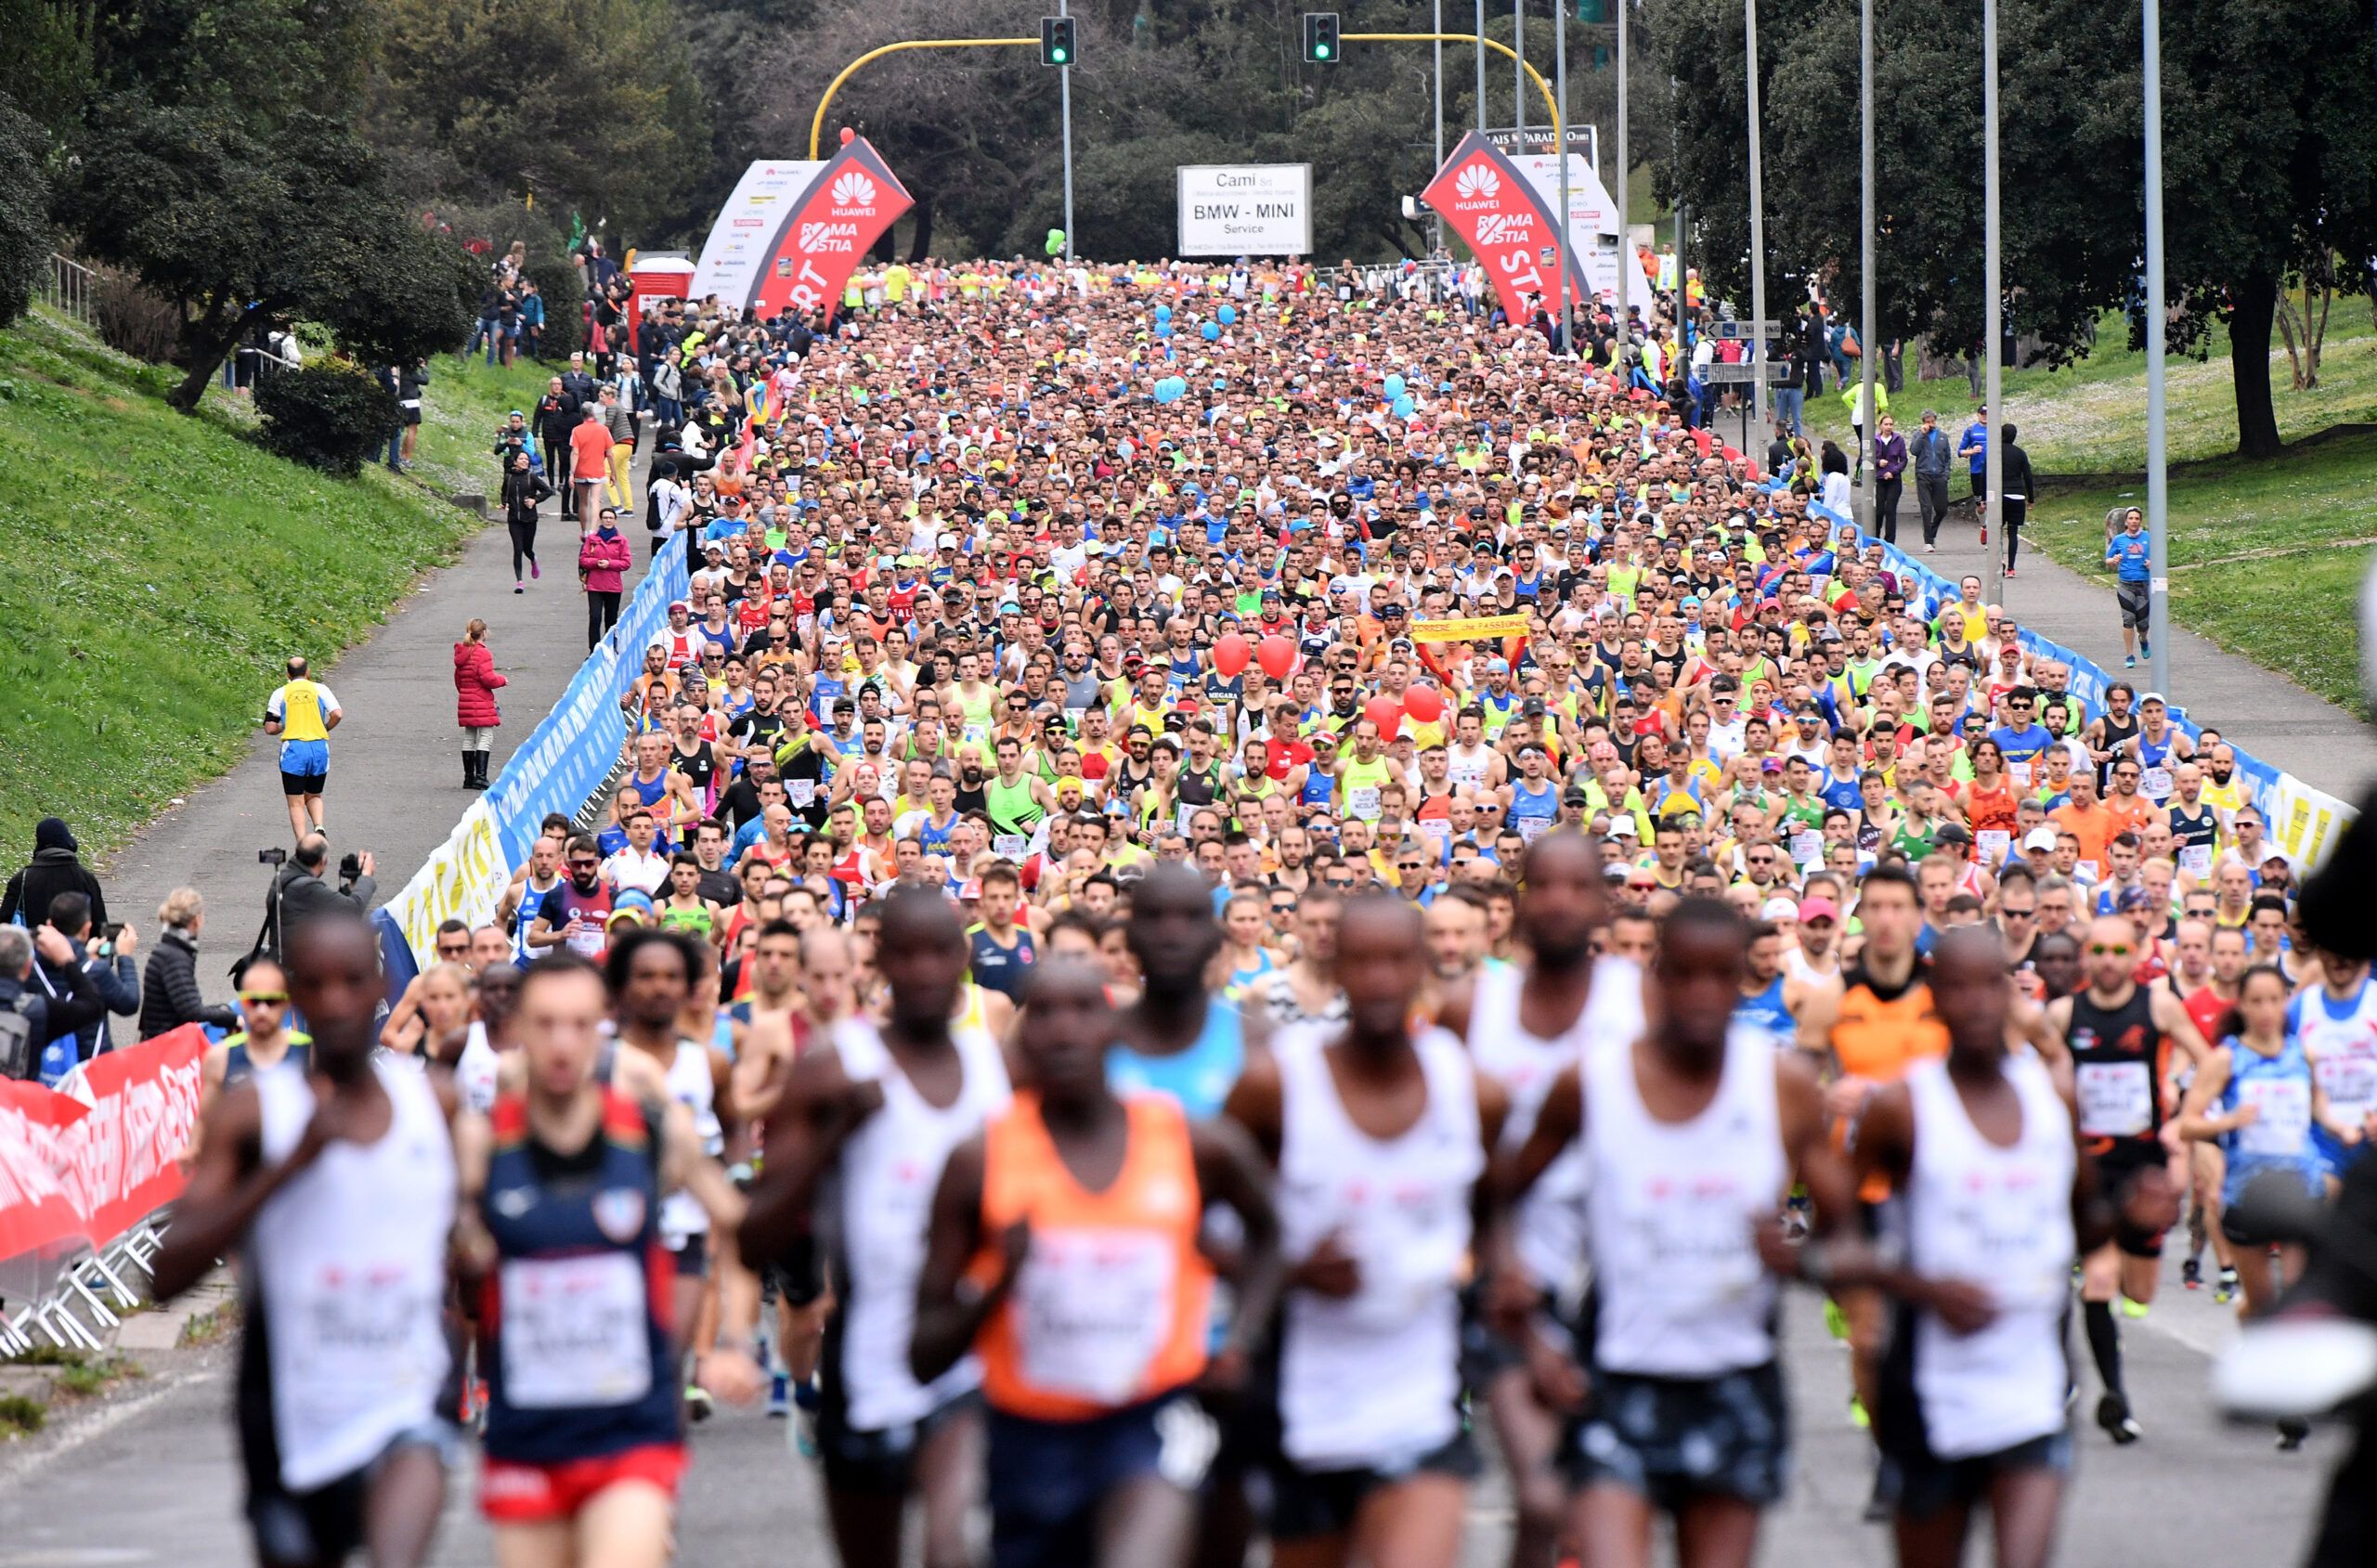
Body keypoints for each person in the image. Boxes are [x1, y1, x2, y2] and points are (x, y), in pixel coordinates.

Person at [1497, 897, 1851, 1568]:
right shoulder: (1591, 1082)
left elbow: (1851, 1239)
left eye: (1719, 975)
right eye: (1682, 974)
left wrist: (1802, 1262)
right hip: (1615, 1378)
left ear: (1742, 977)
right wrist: (1531, 1326)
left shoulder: (1784, 1087)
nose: (1700, 994)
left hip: (1736, 1379)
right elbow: (1499, 1199)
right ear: (1655, 982)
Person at [911, 958, 1285, 1568]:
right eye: (1045, 1014)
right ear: (1020, 1037)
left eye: (1084, 1011)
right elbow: (923, 1352)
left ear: (1114, 1029)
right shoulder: (977, 1161)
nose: (1064, 1031)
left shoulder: (1190, 1140)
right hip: (1027, 1431)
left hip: (1153, 1416)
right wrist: (998, 1283)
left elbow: (1270, 1230)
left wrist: (1241, 1339)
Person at [1843, 928, 2179, 1568]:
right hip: (1930, 1386)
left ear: (2011, 993)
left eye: (1989, 985)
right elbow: (1844, 1242)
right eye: (1956, 987)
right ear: (1932, 997)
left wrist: (2130, 1217)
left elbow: (2079, 1228)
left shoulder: (2051, 1099)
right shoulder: (1902, 1108)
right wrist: (1924, 1289)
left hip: (2032, 1385)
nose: (1974, 1003)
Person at [150, 911, 461, 1568]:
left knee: (397, 1546)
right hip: (290, 1405)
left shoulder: (435, 1103)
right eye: (318, 984)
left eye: (354, 980)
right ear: (297, 995)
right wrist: (287, 1167)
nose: (340, 1000)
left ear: (380, 983)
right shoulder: (257, 1113)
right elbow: (166, 1272)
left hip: (406, 1392)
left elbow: (473, 1240)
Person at [1221, 895, 1509, 1568]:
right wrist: (1287, 1271)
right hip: (1302, 1394)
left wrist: (1491, 1283)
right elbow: (1204, 1224)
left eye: (1396, 960)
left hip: (1422, 1395)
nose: (1380, 978)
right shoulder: (1275, 1083)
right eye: (1363, 961)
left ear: (1422, 966)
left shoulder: (1471, 1088)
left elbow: (1497, 1209)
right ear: (1334, 962)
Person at [454, 952, 762, 1568]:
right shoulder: (484, 1141)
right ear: (517, 1028)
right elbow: (454, 1251)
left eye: (579, 1023)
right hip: (529, 1429)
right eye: (544, 1024)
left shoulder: (648, 1133)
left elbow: (732, 1222)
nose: (563, 1043)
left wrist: (734, 1341)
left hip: (629, 1424)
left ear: (604, 1025)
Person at [739, 888, 1012, 1568]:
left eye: (938, 951)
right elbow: (756, 1236)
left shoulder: (995, 1070)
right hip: (867, 1361)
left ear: (963, 956)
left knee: (951, 1545)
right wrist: (833, 1133)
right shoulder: (833, 1067)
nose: (922, 969)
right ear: (877, 959)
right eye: (904, 953)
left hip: (972, 1360)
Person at [1439, 831, 1645, 1568]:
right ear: (1518, 903)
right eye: (1542, 885)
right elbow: (1457, 1168)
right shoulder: (1471, 1010)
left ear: (1602, 900)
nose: (1558, 901)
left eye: (1577, 885)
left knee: (1610, 1502)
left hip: (1625, 1283)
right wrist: (1501, 1274)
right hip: (1512, 1275)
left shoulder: (1641, 1004)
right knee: (1545, 1494)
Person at [2044, 913, 2211, 1443]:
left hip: (2145, 1176)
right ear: (2085, 957)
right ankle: (2114, 1399)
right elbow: (2033, 1080)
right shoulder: (2063, 1013)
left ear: (2137, 956)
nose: (2110, 962)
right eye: (2100, 952)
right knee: (2096, 1282)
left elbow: (2210, 1061)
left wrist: (2182, 1114)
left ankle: (2091, 1375)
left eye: (2120, 952)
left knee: (2138, 1293)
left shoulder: (2158, 1005)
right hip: (2090, 1173)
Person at [0, 924, 103, 1082]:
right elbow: (92, 1006)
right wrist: (67, 961)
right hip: (17, 1101)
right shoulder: (37, 1010)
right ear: (28, 968)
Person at [141, 886, 240, 1039]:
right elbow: (191, 1011)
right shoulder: (175, 957)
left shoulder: (169, 948)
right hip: (166, 1045)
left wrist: (222, 1010)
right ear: (196, 920)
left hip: (159, 1037)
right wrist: (231, 1019)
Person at [264, 655, 344, 841]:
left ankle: (302, 842)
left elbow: (269, 728)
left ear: (287, 674)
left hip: (295, 749)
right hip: (319, 747)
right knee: (314, 794)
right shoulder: (320, 689)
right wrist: (325, 727)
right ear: (308, 672)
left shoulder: (280, 693)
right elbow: (337, 714)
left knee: (295, 802)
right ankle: (319, 826)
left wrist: (285, 724)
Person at [266, 836, 379, 960]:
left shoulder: (284, 877)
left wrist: (353, 885)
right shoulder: (307, 887)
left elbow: (330, 906)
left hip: (281, 957)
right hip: (297, 966)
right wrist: (366, 876)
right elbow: (352, 909)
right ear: (323, 861)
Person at [2, 815, 107, 929]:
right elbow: (100, 925)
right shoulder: (86, 879)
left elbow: (4, 921)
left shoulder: (22, 879)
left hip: (34, 944)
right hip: (77, 946)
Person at [455, 618, 509, 792]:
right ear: (484, 633)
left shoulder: (461, 652)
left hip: (466, 698)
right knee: (486, 735)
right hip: (481, 699)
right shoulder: (483, 653)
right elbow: (488, 678)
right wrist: (502, 680)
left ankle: (468, 777)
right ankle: (481, 777)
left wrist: (465, 692)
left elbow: (458, 679)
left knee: (469, 737)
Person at [2104, 506, 2152, 669]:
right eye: (2131, 518)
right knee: (2128, 620)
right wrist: (2113, 560)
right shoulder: (2119, 540)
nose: (2134, 521)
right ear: (2126, 522)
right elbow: (2108, 561)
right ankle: (2130, 655)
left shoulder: (2148, 538)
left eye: (2137, 519)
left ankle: (2143, 640)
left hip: (2144, 585)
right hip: (2126, 584)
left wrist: (2152, 564)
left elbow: (2159, 559)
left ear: (2140, 521)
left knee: (2143, 624)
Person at [500, 448, 554, 593]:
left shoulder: (532, 477)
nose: (524, 461)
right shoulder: (509, 477)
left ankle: (533, 559)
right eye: (521, 459)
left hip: (530, 519)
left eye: (526, 459)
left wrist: (534, 500)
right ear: (515, 461)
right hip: (514, 519)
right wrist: (504, 503)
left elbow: (548, 491)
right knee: (517, 549)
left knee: (527, 549)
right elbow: (504, 493)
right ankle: (519, 582)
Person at [579, 509, 633, 650]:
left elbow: (626, 563)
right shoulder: (592, 540)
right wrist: (596, 563)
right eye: (605, 518)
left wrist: (610, 564)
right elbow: (583, 560)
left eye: (611, 518)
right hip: (595, 585)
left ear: (615, 520)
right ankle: (594, 650)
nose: (608, 520)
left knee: (611, 621)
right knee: (595, 618)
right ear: (601, 520)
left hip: (613, 586)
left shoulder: (621, 540)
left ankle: (610, 649)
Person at [1910, 409, 1953, 551]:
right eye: (1928, 422)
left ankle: (1932, 532)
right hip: (1923, 474)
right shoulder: (1918, 435)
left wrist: (1946, 473)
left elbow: (1947, 457)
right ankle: (1928, 541)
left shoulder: (1942, 436)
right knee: (1926, 508)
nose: (1930, 424)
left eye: (1932, 421)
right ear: (1923, 423)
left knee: (1942, 509)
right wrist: (1922, 435)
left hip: (1939, 475)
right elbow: (1914, 451)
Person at [1997, 422, 2035, 577]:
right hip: (2017, 495)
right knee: (2013, 532)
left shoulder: (1996, 452)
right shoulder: (2020, 453)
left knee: (1996, 531)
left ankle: (1999, 561)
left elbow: (1984, 474)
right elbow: (2028, 476)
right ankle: (2011, 568)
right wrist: (2031, 498)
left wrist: (1983, 498)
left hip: (2000, 495)